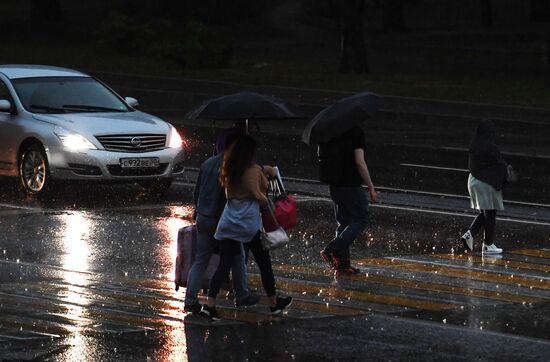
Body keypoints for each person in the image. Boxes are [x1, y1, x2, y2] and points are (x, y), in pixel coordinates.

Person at [200, 135, 291, 320]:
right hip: (249, 226)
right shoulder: (254, 171)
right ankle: (274, 304)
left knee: (224, 265)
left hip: (229, 223)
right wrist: (267, 174)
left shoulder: (229, 169)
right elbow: (260, 193)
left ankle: (210, 304)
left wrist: (260, 170)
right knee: (264, 264)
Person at [184, 131, 260, 315]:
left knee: (201, 259)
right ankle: (241, 294)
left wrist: (199, 211)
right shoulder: (231, 167)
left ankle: (190, 300)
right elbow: (227, 198)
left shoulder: (207, 163)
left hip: (203, 217)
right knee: (238, 255)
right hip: (220, 220)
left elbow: (197, 192)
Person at [318, 125, 378, 274]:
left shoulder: (330, 131)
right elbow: (359, 162)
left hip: (334, 185)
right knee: (361, 219)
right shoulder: (355, 131)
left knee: (344, 223)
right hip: (351, 184)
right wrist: (371, 186)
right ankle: (332, 249)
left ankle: (342, 264)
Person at [460, 120, 508, 254]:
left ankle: (469, 234)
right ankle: (488, 245)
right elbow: (499, 164)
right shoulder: (490, 147)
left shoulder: (474, 146)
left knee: (485, 213)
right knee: (491, 213)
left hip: (473, 181)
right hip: (485, 183)